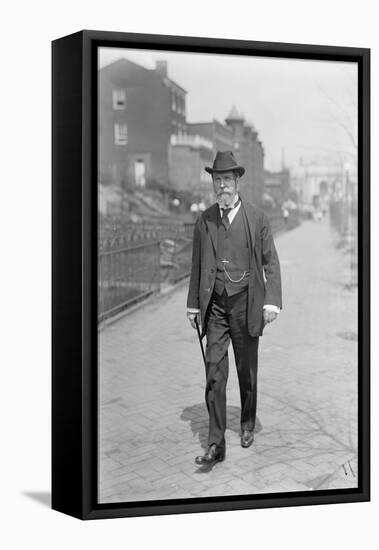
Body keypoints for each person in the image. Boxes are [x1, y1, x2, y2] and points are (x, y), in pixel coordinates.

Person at [187, 150, 282, 466]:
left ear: (238, 181)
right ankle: (216, 444)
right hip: (215, 307)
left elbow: (271, 262)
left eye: (227, 179)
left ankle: (246, 424)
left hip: (246, 304)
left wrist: (271, 303)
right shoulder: (206, 219)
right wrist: (193, 306)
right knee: (214, 372)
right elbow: (198, 264)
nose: (222, 186)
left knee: (246, 371)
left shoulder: (257, 219)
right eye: (217, 180)